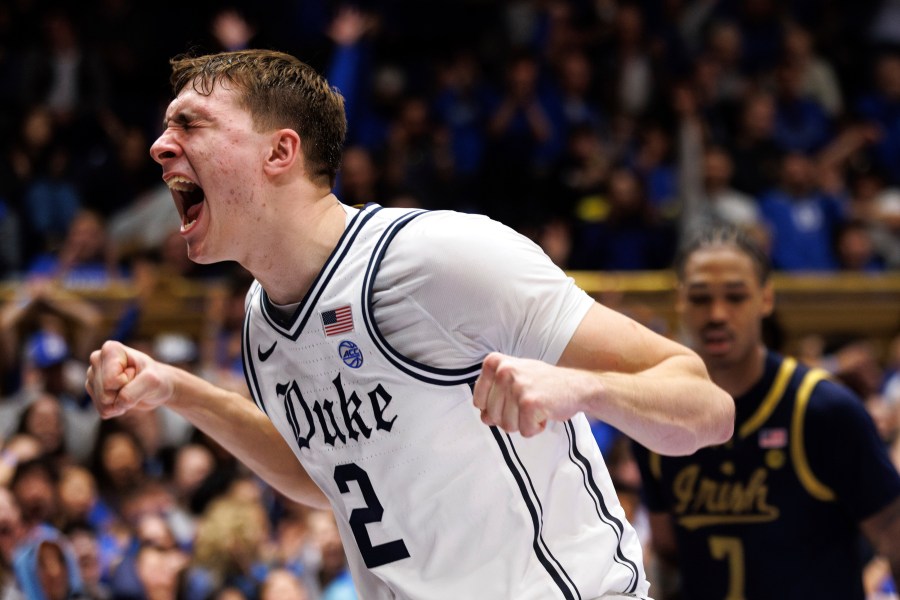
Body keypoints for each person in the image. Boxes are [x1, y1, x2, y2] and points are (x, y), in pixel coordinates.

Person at [84, 48, 734, 599]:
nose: (159, 145)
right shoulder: (261, 319)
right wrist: (178, 389)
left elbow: (706, 407)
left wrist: (585, 390)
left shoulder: (436, 260)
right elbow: (324, 476)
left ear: (280, 152)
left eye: (190, 124)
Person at [633, 224, 900, 600]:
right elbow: (669, 556)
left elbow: (894, 538)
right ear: (680, 301)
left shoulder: (825, 411)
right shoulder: (656, 417)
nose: (717, 314)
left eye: (736, 296)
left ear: (766, 298)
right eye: (700, 298)